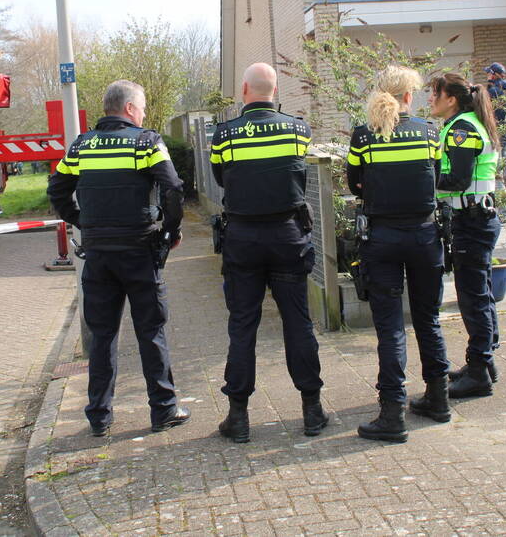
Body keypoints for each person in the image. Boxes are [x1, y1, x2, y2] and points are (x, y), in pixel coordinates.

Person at [47, 80, 189, 437]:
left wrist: (81, 221)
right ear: (128, 109)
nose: (142, 115)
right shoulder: (146, 142)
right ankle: (163, 410)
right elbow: (173, 188)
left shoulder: (81, 145)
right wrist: (170, 232)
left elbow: (57, 189)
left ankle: (98, 416)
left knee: (103, 335)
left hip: (98, 256)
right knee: (150, 331)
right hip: (139, 252)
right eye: (140, 108)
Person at [210, 62, 326, 444]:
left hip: (242, 238)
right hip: (288, 236)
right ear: (274, 91)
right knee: (299, 322)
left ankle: (238, 417)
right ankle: (312, 410)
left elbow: (220, 178)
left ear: (244, 89)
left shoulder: (225, 135)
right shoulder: (298, 129)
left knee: (242, 325)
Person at [346, 66, 450, 442]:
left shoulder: (364, 136)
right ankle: (438, 399)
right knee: (428, 319)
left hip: (383, 237)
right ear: (410, 96)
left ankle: (393, 413)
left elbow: (354, 182)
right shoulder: (430, 133)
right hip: (425, 235)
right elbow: (436, 176)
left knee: (390, 328)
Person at [428, 72, 501, 399]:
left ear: (451, 98)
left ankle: (479, 372)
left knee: (472, 298)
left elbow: (456, 179)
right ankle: (484, 364)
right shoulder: (465, 123)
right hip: (476, 217)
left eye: (435, 94)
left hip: (472, 220)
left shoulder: (462, 128)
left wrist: (420, 179)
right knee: (480, 293)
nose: (431, 100)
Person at [485, 63, 506, 185]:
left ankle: (502, 200)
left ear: (494, 75)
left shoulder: (493, 91)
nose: (487, 75)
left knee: (497, 166)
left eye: (489, 73)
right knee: (505, 165)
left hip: (497, 132)